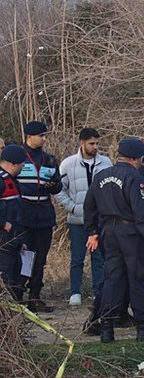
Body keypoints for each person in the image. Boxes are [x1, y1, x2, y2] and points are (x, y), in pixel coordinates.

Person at [83, 138, 144, 343]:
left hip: (109, 232)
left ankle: (106, 326)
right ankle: (143, 327)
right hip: (132, 234)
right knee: (139, 277)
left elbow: (89, 205)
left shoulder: (101, 176)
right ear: (136, 158)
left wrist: (92, 231)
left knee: (113, 279)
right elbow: (142, 211)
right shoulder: (135, 178)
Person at [56, 128, 113, 307]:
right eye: (91, 143)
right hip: (77, 220)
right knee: (77, 257)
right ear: (82, 143)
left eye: (97, 143)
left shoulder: (106, 163)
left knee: (99, 258)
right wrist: (72, 207)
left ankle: (99, 291)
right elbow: (58, 189)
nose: (95, 147)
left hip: (99, 220)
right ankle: (75, 292)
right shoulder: (67, 164)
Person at [17, 121, 62, 313]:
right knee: (23, 256)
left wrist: (54, 186)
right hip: (23, 214)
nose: (44, 139)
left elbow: (59, 185)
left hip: (43, 214)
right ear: (29, 136)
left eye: (45, 135)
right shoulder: (17, 156)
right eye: (41, 136)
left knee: (41, 257)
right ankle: (17, 295)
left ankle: (35, 296)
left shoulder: (49, 159)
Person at [0, 145, 27, 302]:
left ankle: (16, 319)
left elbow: (17, 214)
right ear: (14, 164)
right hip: (3, 242)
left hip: (14, 241)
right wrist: (3, 224)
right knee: (7, 281)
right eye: (22, 164)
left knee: (17, 280)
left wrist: (20, 241)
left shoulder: (13, 181)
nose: (24, 167)